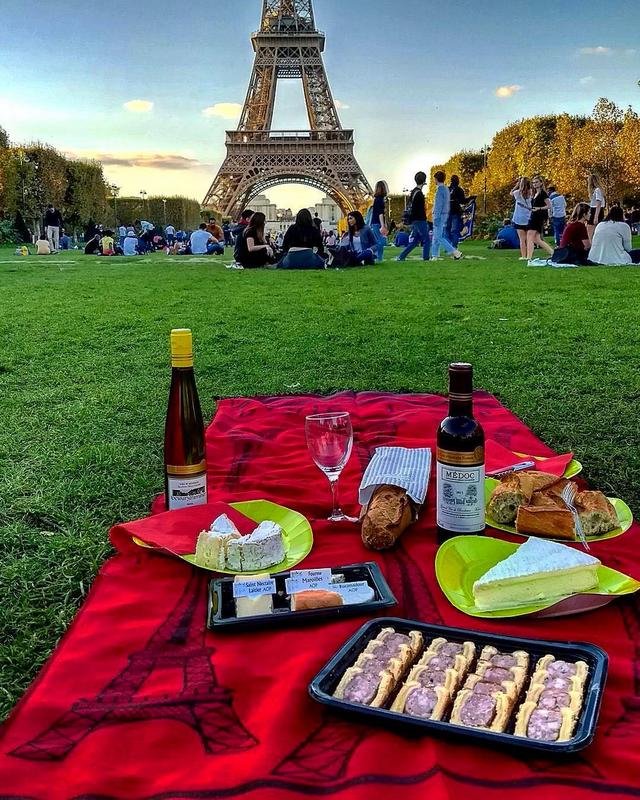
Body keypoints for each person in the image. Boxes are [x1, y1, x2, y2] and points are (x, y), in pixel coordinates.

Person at [396, 172, 431, 262]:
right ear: (424, 181)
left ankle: (402, 256)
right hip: (420, 219)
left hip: (415, 219)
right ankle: (426, 258)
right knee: (426, 239)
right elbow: (419, 209)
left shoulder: (414, 192)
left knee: (415, 241)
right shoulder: (419, 194)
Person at [431, 171, 463, 260]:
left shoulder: (439, 190)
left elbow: (438, 205)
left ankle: (455, 252)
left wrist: (436, 217)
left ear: (436, 179)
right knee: (436, 236)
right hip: (444, 214)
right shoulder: (445, 189)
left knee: (439, 237)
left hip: (439, 215)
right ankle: (435, 255)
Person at [525, 176, 554, 260]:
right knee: (537, 239)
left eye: (537, 182)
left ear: (541, 183)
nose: (535, 184)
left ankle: (529, 257)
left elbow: (549, 205)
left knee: (530, 235)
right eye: (533, 183)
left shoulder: (543, 193)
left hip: (538, 217)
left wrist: (539, 208)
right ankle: (553, 253)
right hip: (534, 215)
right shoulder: (535, 194)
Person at [446, 175, 474, 248]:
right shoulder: (459, 190)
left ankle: (448, 246)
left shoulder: (447, 189)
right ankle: (454, 247)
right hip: (455, 212)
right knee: (455, 231)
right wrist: (470, 198)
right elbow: (463, 201)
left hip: (447, 212)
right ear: (458, 181)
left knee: (447, 230)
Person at [510, 177, 532, 259]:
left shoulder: (517, 193)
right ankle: (529, 256)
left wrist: (516, 185)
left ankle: (523, 256)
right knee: (529, 238)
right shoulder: (531, 193)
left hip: (519, 218)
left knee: (522, 239)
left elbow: (511, 193)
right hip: (529, 217)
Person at [370, 180, 389, 262]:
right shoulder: (380, 200)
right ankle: (378, 257)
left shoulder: (377, 199)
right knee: (380, 241)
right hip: (377, 223)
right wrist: (382, 225)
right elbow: (380, 213)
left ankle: (378, 257)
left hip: (375, 222)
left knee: (378, 241)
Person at [587, 173, 606, 240]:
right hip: (596, 210)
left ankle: (591, 246)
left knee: (590, 230)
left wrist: (596, 217)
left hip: (596, 211)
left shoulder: (597, 190)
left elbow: (598, 203)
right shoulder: (598, 190)